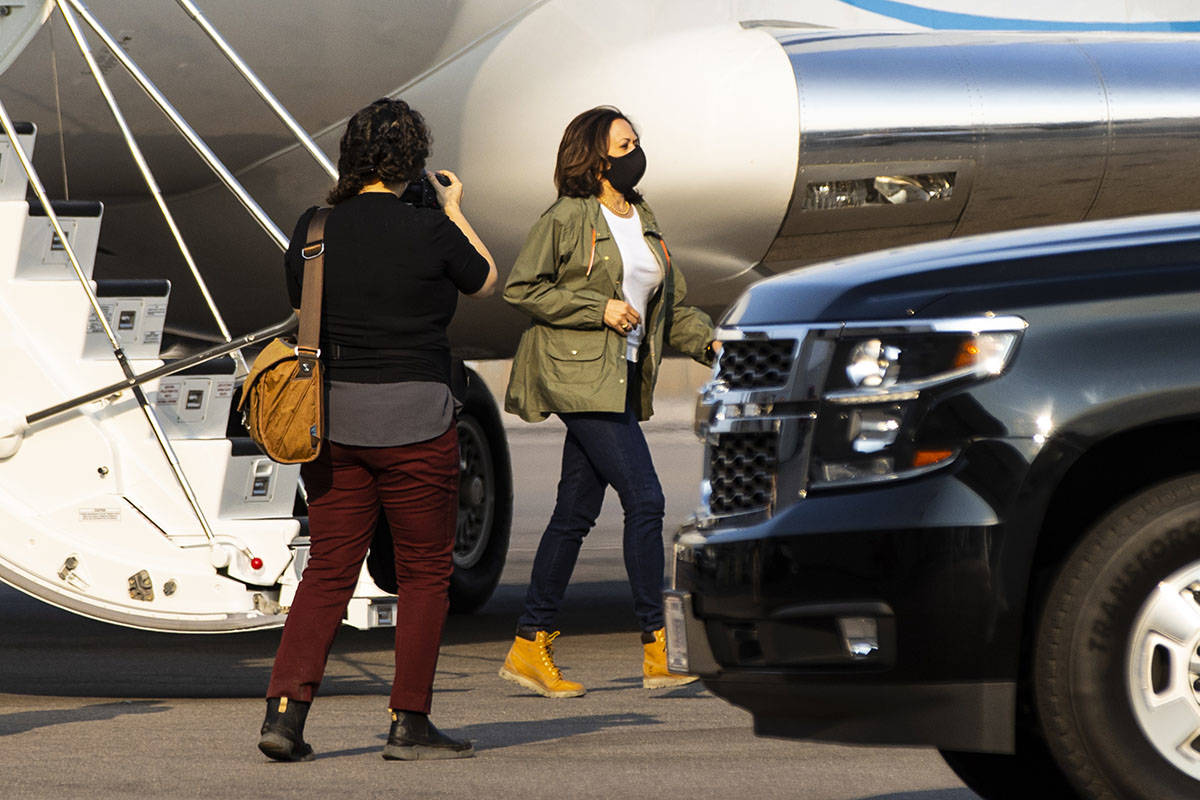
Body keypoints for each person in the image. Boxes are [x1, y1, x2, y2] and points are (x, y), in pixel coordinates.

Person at [257, 98, 497, 761]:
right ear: (414, 162)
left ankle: (285, 714)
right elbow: (484, 280)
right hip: (418, 423)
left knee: (329, 571)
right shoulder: (430, 229)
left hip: (334, 423)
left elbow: (298, 303)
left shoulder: (315, 228)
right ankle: (409, 722)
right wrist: (450, 209)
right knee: (423, 575)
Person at [499, 106, 718, 697]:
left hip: (619, 377)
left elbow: (668, 307)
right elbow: (523, 287)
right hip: (579, 376)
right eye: (625, 143)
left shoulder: (642, 216)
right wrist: (595, 309)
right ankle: (657, 647)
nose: (636, 152)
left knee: (573, 515)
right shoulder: (568, 217)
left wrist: (712, 343)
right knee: (645, 498)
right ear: (596, 157)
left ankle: (527, 644)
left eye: (638, 142)